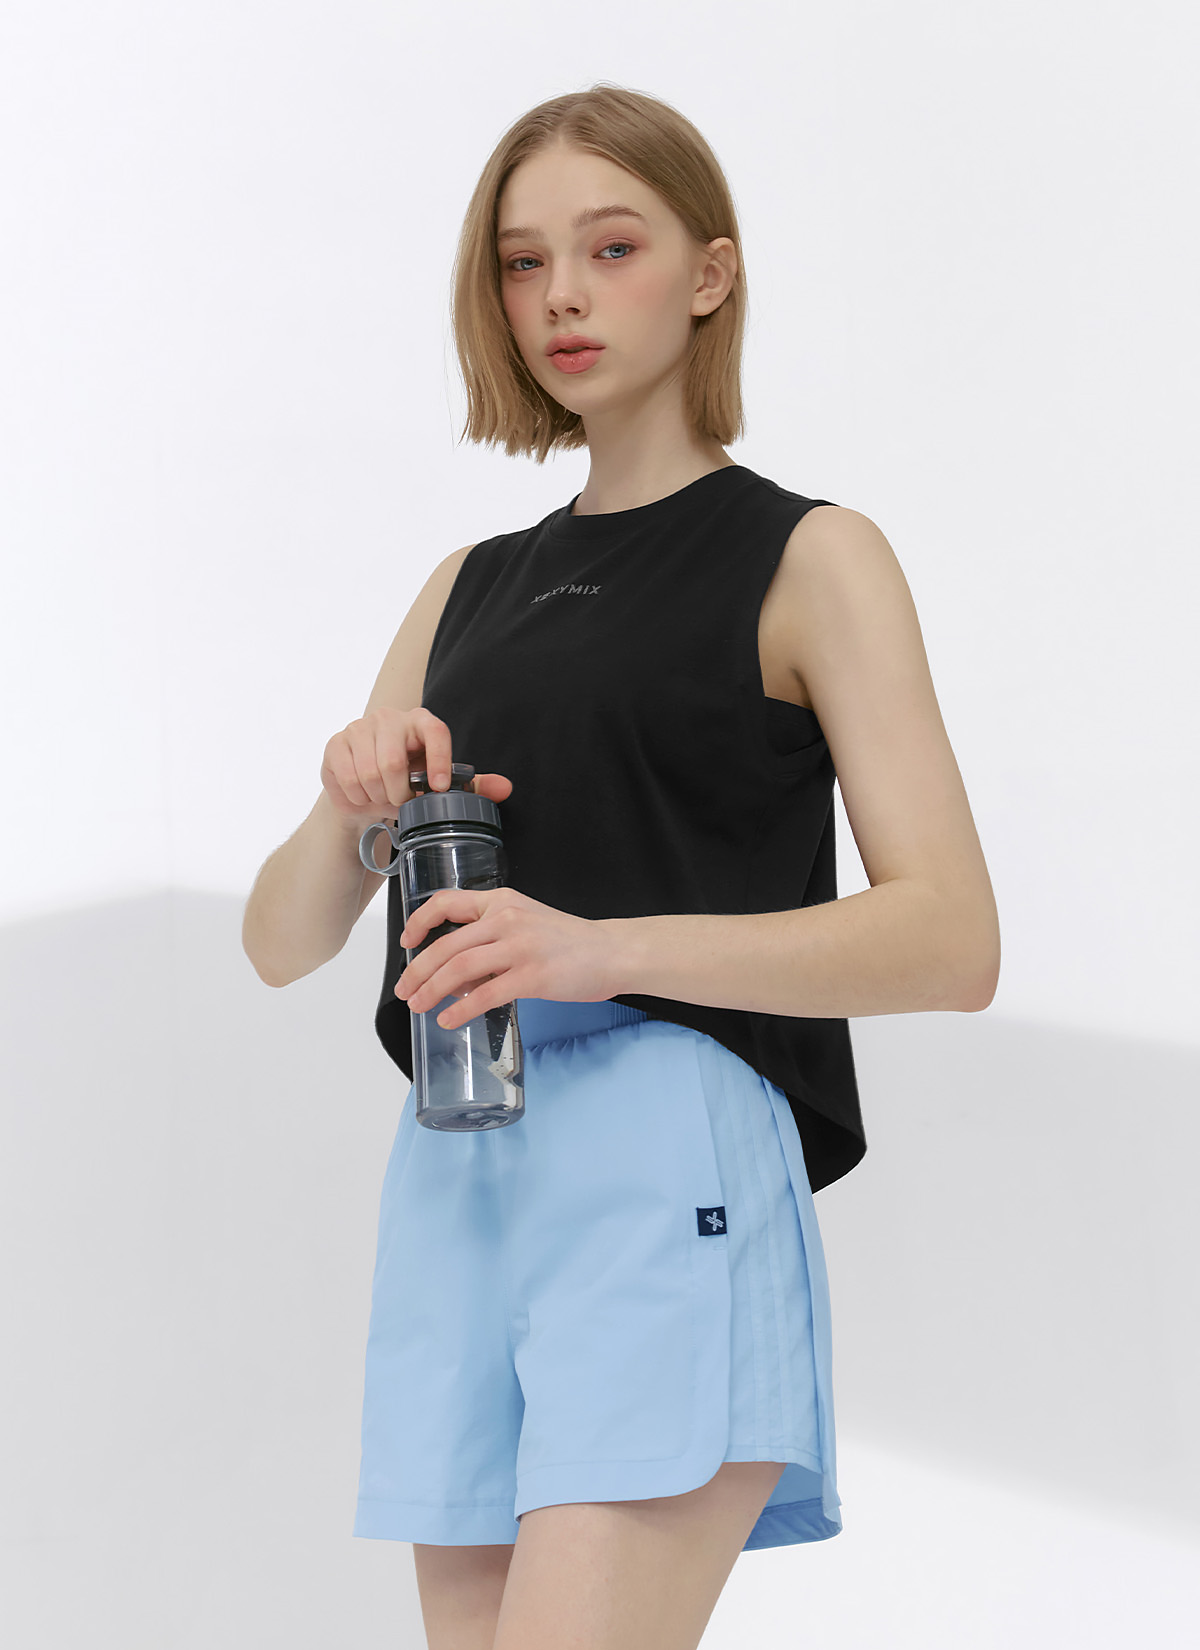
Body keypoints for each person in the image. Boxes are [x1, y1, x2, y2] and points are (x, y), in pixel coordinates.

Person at [243, 82, 1000, 1650]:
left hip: (668, 1155)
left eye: (611, 247)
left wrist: (595, 946)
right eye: (524, 263)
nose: (562, 297)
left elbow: (952, 938)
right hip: (459, 1166)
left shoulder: (810, 556)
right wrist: (347, 806)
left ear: (710, 273)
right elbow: (279, 939)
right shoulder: (469, 585)